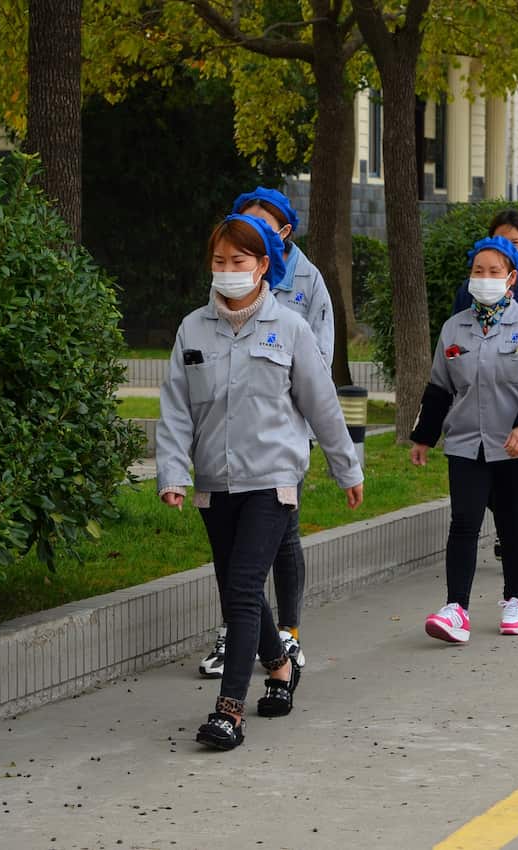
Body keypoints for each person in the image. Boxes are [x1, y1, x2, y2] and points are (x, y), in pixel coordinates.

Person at [156, 214, 363, 751]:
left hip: (273, 481)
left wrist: (347, 468)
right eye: (219, 261)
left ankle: (229, 710)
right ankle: (279, 664)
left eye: (239, 261)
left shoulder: (289, 328)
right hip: (214, 481)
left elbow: (322, 404)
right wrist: (173, 472)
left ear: (263, 265)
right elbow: (176, 409)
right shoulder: (192, 329)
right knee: (237, 586)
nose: (227, 269)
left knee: (243, 589)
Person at [196, 187, 336, 678]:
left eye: (260, 227)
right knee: (235, 549)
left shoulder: (308, 280)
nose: (247, 234)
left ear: (283, 233)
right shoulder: (227, 271)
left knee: (282, 536)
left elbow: (317, 364)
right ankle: (239, 632)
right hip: (229, 436)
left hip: (281, 435)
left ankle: (287, 633)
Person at [411, 236, 518, 641]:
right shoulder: (454, 328)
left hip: (516, 445)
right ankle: (456, 608)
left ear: (511, 278)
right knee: (464, 522)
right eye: (478, 270)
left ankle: (516, 599)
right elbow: (439, 388)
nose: (485, 277)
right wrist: (423, 437)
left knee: (512, 523)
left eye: (494, 271)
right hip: (466, 442)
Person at [449, 209, 518, 558]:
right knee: (471, 508)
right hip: (474, 417)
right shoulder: (466, 297)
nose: (486, 278)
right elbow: (451, 356)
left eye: (515, 241)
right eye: (479, 270)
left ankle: (512, 540)